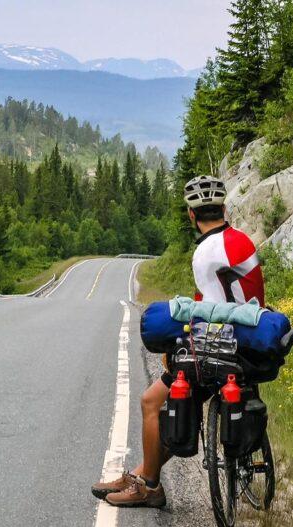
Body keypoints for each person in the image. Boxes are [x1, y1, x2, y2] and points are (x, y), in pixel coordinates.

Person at [91, 175, 265, 507]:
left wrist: (175, 348)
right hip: (251, 344)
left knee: (152, 402)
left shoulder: (205, 253)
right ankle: (140, 472)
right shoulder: (242, 240)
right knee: (174, 398)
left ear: (191, 215)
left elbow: (207, 312)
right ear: (224, 209)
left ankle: (150, 487)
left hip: (222, 349)